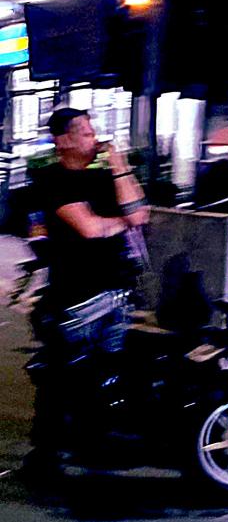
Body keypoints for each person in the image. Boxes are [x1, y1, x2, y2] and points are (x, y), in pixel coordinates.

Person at [25, 107, 148, 474]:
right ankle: (47, 453)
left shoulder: (102, 177)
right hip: (75, 296)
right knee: (66, 375)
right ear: (63, 140)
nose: (94, 139)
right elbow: (90, 229)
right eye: (85, 133)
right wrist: (120, 221)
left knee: (103, 374)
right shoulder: (52, 181)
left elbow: (139, 215)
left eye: (93, 132)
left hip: (114, 293)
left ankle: (88, 444)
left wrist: (120, 166)